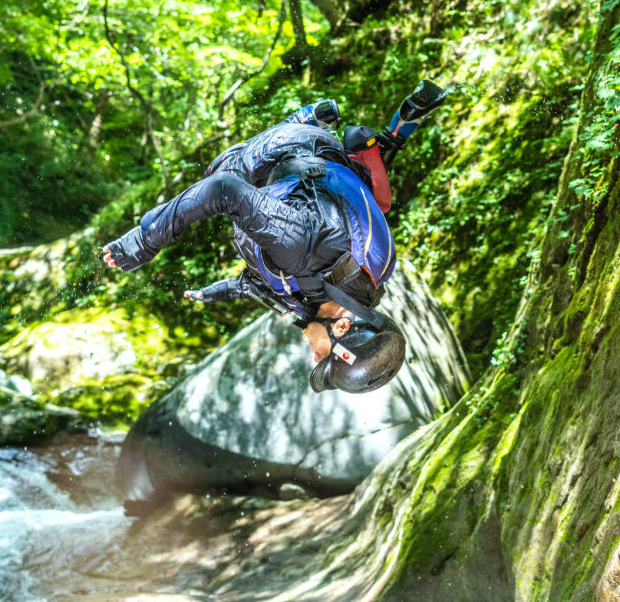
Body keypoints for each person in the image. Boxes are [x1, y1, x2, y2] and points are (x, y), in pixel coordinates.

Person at [102, 80, 449, 394]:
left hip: (332, 178)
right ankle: (308, 120)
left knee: (376, 200)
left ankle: (391, 136)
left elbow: (258, 285)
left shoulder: (346, 289)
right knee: (219, 172)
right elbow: (223, 190)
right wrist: (143, 242)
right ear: (342, 327)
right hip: (288, 150)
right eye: (323, 357)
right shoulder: (308, 254)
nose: (314, 357)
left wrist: (209, 294)